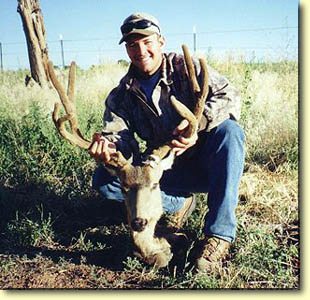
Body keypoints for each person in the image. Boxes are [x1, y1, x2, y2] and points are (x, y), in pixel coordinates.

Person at [88, 12, 245, 272]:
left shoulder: (186, 68)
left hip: (206, 163)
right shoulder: (122, 94)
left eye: (146, 41)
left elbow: (230, 94)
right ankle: (178, 203)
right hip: (160, 172)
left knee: (230, 133)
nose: (140, 50)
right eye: (132, 44)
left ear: (161, 41)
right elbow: (119, 136)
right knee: (105, 181)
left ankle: (219, 235)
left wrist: (200, 123)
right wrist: (109, 149)